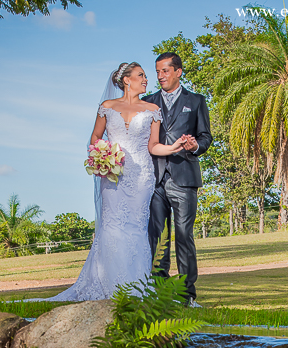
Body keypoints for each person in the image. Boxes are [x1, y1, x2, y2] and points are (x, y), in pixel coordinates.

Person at [48, 62, 187, 302]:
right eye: (141, 75)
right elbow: (95, 136)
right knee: (111, 226)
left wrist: (175, 146)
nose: (146, 79)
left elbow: (153, 146)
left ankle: (136, 287)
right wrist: (101, 157)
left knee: (136, 228)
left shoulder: (153, 109)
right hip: (112, 174)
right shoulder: (107, 107)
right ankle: (107, 283)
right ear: (126, 80)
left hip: (141, 175)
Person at [143, 52, 213, 307]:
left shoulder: (196, 101)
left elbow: (206, 137)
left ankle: (186, 297)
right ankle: (159, 294)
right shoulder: (148, 102)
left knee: (184, 235)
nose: (160, 76)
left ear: (178, 71)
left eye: (165, 71)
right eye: (157, 71)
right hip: (154, 180)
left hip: (184, 178)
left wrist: (195, 145)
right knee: (157, 237)